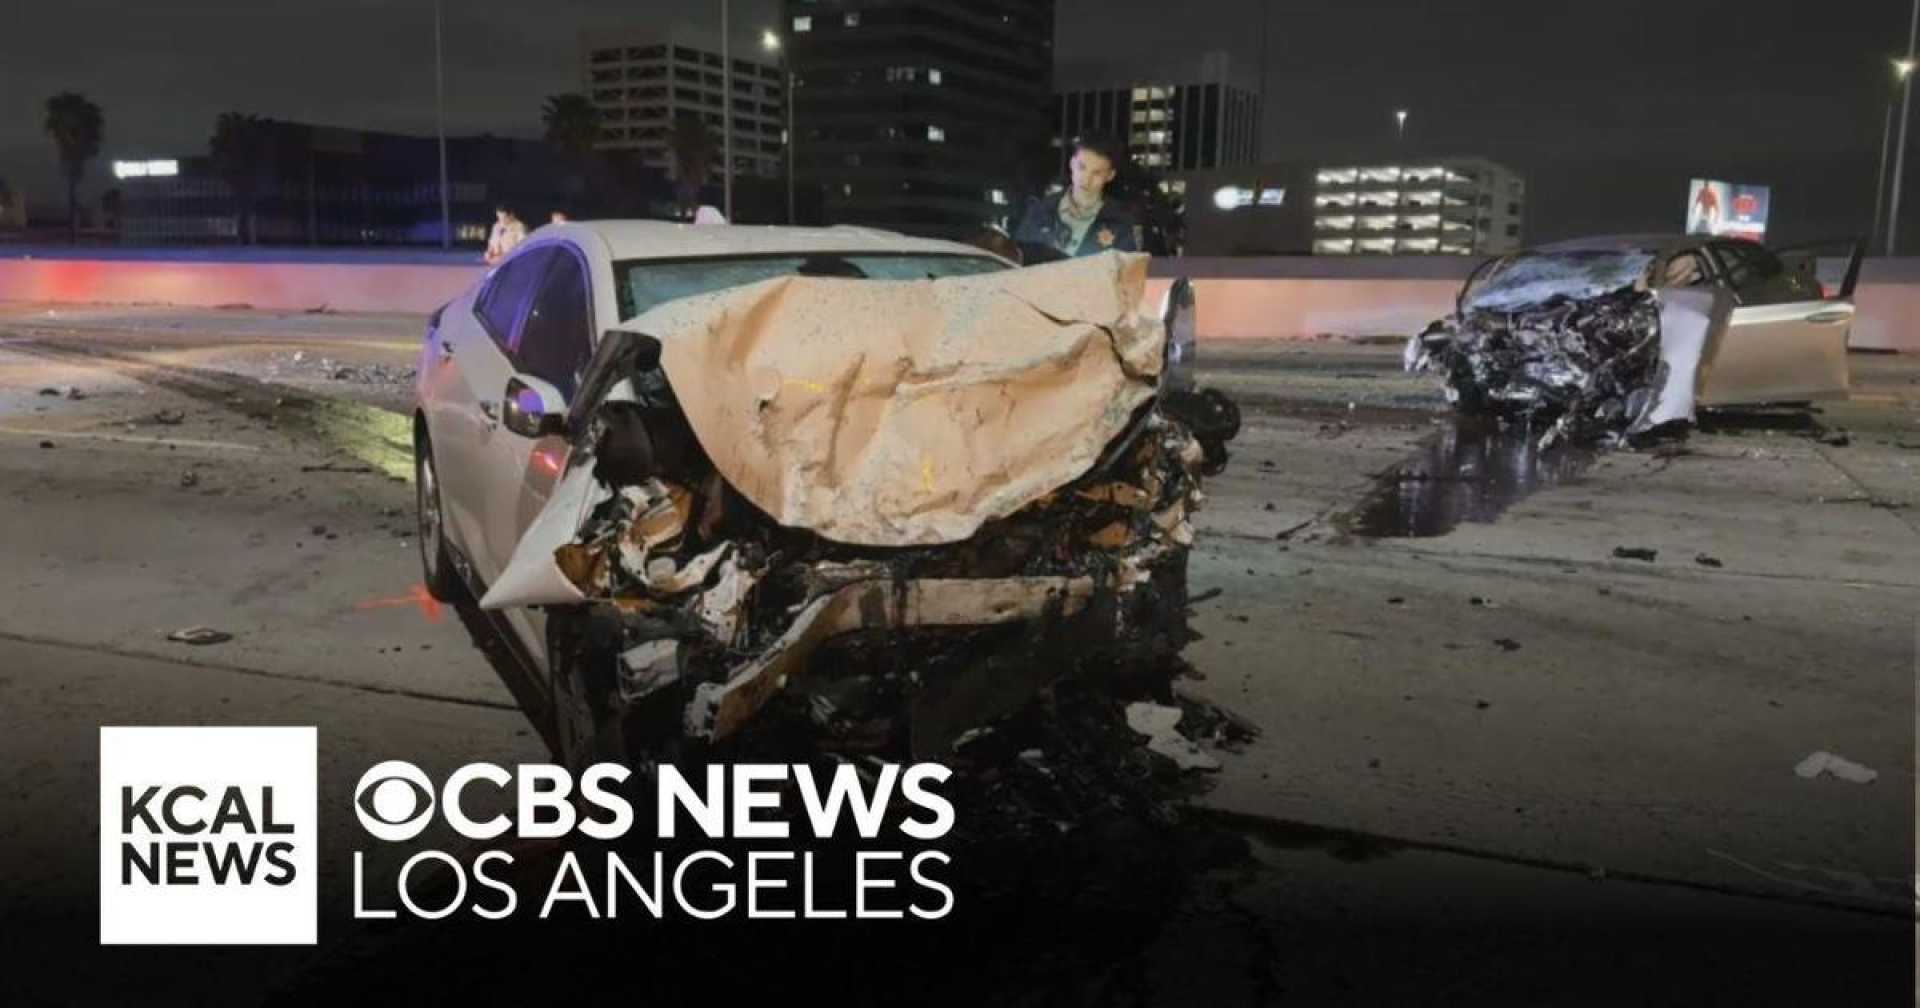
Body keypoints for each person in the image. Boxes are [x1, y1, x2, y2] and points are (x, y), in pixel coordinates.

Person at [1013, 135, 1140, 261]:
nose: (1086, 179)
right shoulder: (1041, 210)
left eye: (1096, 173)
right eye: (1082, 167)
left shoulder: (1119, 221)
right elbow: (1017, 258)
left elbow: (1126, 272)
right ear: (1072, 164)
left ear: (1110, 175)